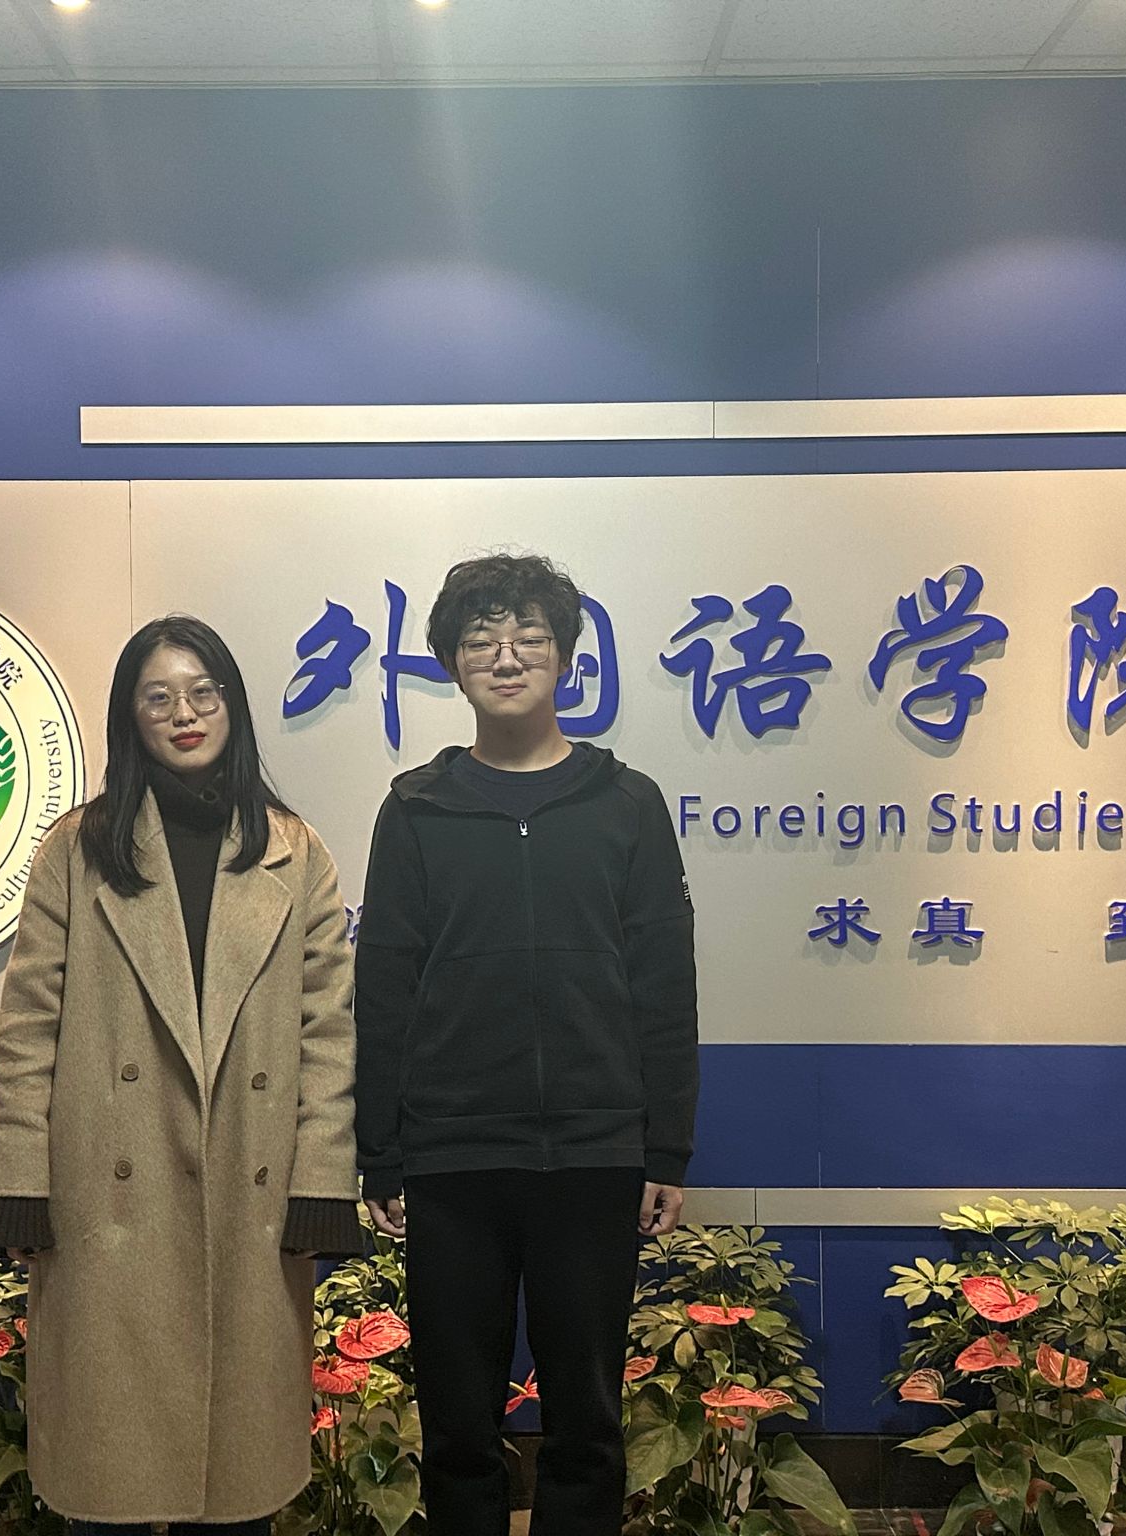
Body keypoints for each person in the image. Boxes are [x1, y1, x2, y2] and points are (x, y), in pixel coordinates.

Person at [0, 614, 363, 1535]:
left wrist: (320, 1181)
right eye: (159, 698)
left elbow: (327, 1034)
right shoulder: (78, 849)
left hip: (249, 1197)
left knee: (239, 1491)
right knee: (106, 1485)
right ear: (130, 718)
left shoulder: (295, 852)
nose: (185, 714)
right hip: (108, 1199)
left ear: (232, 706)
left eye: (203, 693)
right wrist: (18, 1184)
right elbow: (27, 1029)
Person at [354, 552, 700, 1536]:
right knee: (457, 1423)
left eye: (528, 638)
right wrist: (380, 1151)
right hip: (452, 1160)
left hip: (591, 1155)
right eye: (481, 640)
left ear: (564, 657)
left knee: (587, 1422)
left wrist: (665, 1148)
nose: (505, 658)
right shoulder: (416, 808)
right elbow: (382, 988)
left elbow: (664, 987)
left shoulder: (624, 803)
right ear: (452, 665)